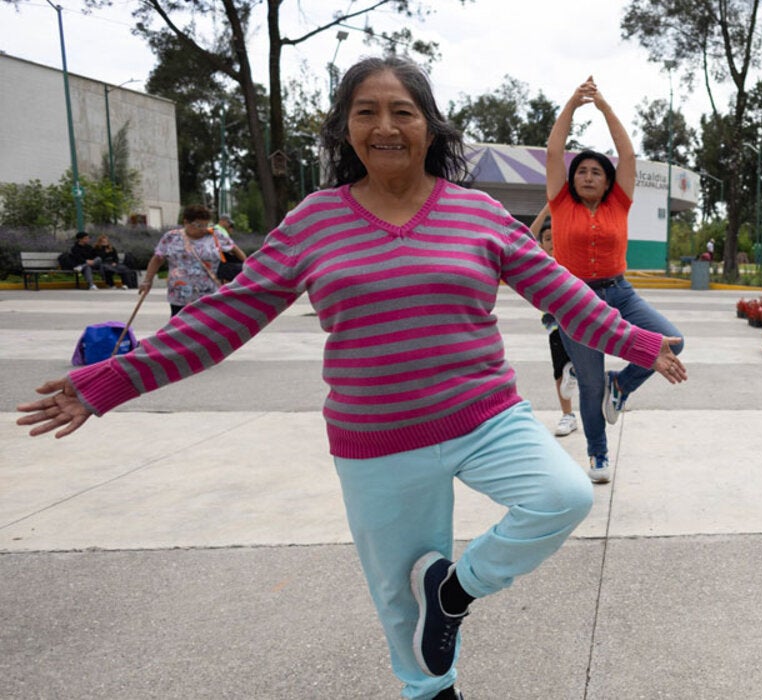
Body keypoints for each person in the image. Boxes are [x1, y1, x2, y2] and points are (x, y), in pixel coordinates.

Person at [15, 55, 686, 700]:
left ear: (429, 127)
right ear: (345, 129)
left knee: (563, 496)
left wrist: (641, 343)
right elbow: (226, 316)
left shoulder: (477, 213)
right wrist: (111, 381)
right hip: (377, 438)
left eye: (403, 111)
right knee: (397, 599)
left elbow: (564, 294)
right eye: (367, 112)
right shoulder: (315, 220)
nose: (385, 126)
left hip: (487, 418)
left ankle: (454, 590)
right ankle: (430, 692)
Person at [546, 76, 685, 484]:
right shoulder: (560, 202)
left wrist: (604, 106)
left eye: (596, 172)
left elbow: (626, 154)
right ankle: (598, 454)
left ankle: (621, 386)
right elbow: (554, 151)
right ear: (572, 179)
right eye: (581, 171)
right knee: (590, 385)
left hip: (619, 292)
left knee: (673, 341)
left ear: (608, 181)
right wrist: (573, 103)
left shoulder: (618, 203)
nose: (588, 176)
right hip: (575, 300)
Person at [530, 206, 580, 437]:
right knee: (560, 370)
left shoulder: (573, 258)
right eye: (548, 239)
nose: (552, 243)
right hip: (555, 324)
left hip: (580, 320)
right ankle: (568, 415)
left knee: (584, 366)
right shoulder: (540, 262)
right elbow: (526, 236)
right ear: (541, 244)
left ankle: (577, 372)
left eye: (556, 238)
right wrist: (546, 209)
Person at [138, 205, 238, 316]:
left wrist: (246, 269)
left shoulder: (215, 234)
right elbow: (158, 258)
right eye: (199, 225)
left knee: (208, 325)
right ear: (186, 222)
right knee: (179, 325)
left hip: (209, 295)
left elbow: (235, 250)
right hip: (179, 296)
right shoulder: (171, 237)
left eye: (206, 225)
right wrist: (147, 281)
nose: (203, 229)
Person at [214, 216, 249, 283]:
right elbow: (233, 248)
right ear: (222, 221)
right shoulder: (219, 231)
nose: (229, 225)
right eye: (228, 223)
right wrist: (247, 262)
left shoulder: (220, 230)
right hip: (221, 263)